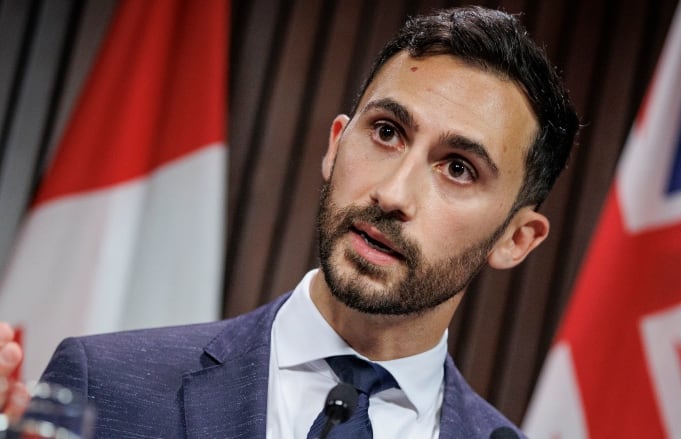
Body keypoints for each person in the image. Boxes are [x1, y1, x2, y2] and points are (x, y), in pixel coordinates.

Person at [0, 6, 578, 438]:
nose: (392, 193)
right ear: (336, 144)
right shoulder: (108, 383)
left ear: (515, 238)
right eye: (386, 133)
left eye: (458, 168)